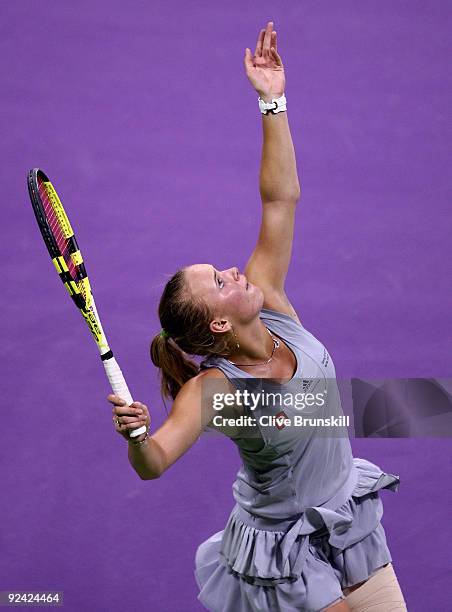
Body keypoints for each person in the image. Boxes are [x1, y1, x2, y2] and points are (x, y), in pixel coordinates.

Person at [108, 21, 407, 611]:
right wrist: (137, 437)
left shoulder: (269, 296)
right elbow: (156, 462)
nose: (233, 271)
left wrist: (272, 100)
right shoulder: (216, 389)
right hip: (282, 551)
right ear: (218, 324)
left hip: (346, 519)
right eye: (219, 282)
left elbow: (279, 198)